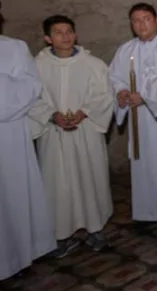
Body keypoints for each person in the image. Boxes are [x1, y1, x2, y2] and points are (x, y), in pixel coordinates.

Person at [29, 15, 114, 258]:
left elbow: (104, 94)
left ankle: (95, 229)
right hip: (54, 135)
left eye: (69, 31)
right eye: (58, 32)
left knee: (90, 178)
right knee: (57, 185)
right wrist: (51, 114)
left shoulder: (94, 64)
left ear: (76, 35)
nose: (65, 36)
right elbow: (31, 97)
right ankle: (60, 235)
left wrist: (84, 112)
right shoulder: (36, 66)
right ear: (47, 38)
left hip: (85, 133)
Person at [0, 2, 56, 282]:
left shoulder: (15, 48)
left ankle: (18, 256)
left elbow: (31, 86)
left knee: (12, 197)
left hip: (8, 134)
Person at [108, 3, 157, 225]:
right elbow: (115, 77)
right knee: (142, 164)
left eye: (146, 19)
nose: (141, 24)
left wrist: (145, 96)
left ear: (156, 21)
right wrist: (121, 92)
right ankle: (146, 213)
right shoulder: (126, 50)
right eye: (136, 20)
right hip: (139, 120)